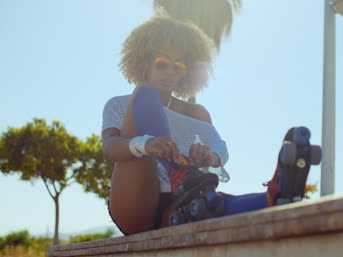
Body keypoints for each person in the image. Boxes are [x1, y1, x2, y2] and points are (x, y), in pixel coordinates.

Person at [102, 10, 316, 235]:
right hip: (134, 204)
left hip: (179, 201)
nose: (170, 73)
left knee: (212, 204)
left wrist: (211, 156)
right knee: (145, 94)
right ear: (145, 63)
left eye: (178, 67)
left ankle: (275, 195)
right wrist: (146, 145)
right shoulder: (118, 105)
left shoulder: (196, 113)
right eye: (162, 64)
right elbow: (110, 149)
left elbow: (219, 146)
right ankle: (178, 174)